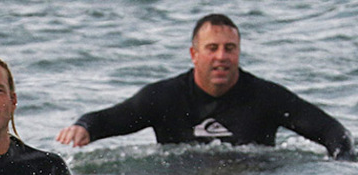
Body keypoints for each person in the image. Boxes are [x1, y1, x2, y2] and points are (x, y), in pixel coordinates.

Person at [56, 14, 354, 160]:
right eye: (212, 48)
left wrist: (342, 165)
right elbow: (114, 117)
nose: (221, 57)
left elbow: (332, 132)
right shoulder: (165, 97)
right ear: (194, 54)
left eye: (230, 48)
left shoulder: (266, 97)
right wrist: (84, 127)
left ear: (238, 52)